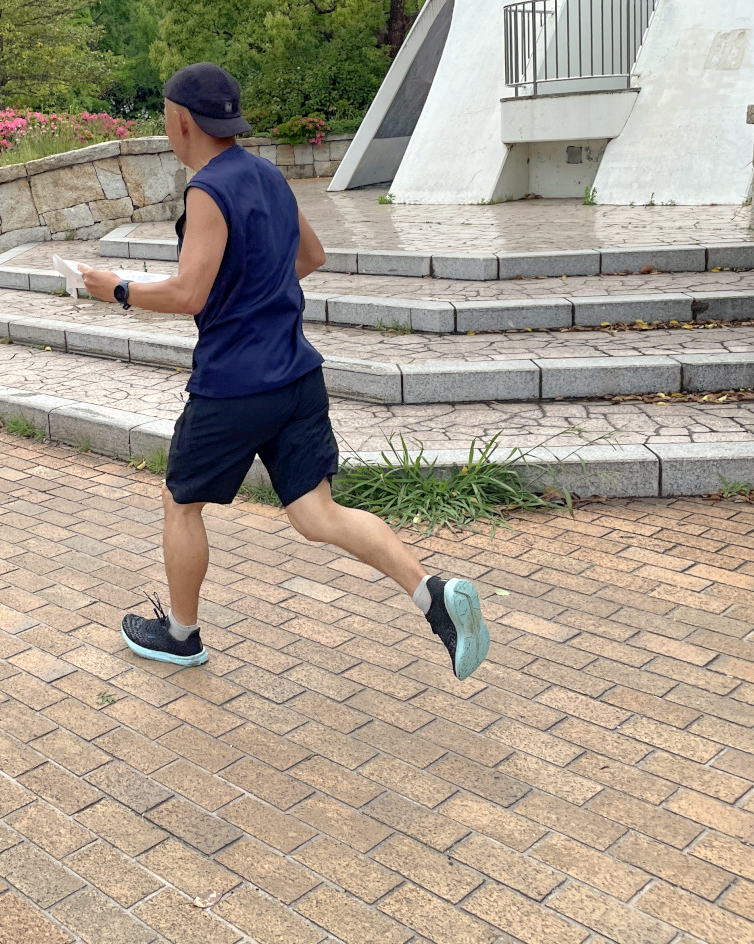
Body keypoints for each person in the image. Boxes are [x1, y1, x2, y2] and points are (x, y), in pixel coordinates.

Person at [79, 63, 490, 680]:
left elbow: (189, 293)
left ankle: (182, 636)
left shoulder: (206, 190)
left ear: (181, 121)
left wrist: (117, 289)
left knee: (180, 502)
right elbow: (311, 255)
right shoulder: (269, 174)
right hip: (297, 378)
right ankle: (432, 595)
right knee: (317, 515)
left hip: (233, 387)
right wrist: (255, 291)